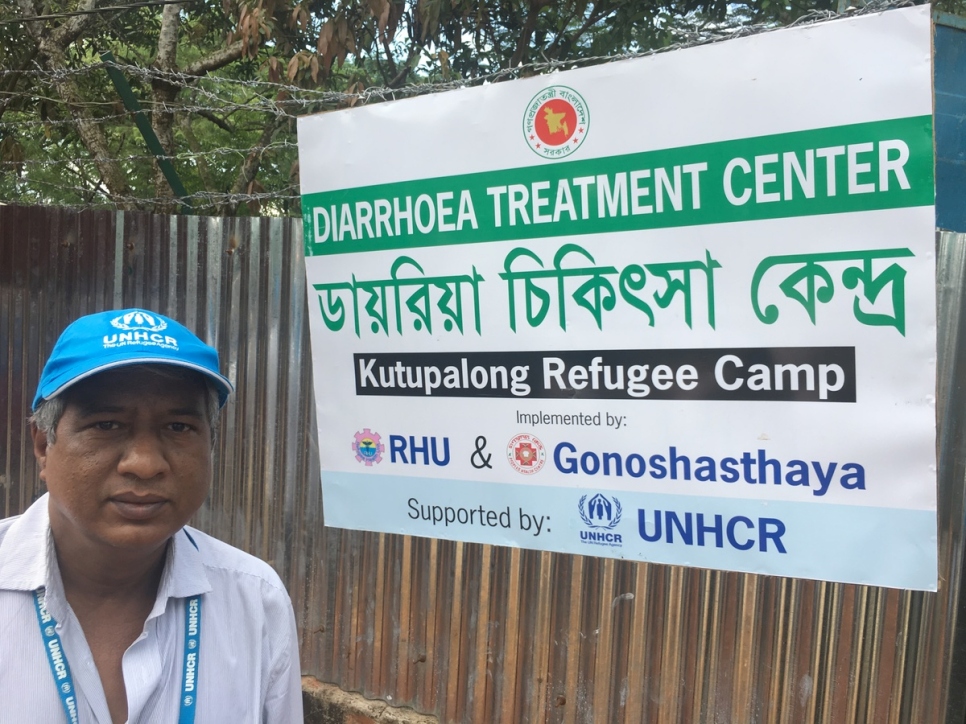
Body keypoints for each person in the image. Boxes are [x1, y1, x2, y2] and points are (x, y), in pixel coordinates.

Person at [0, 308, 304, 723]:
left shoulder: (255, 600)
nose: (144, 464)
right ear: (42, 446)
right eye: (107, 424)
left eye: (178, 427)